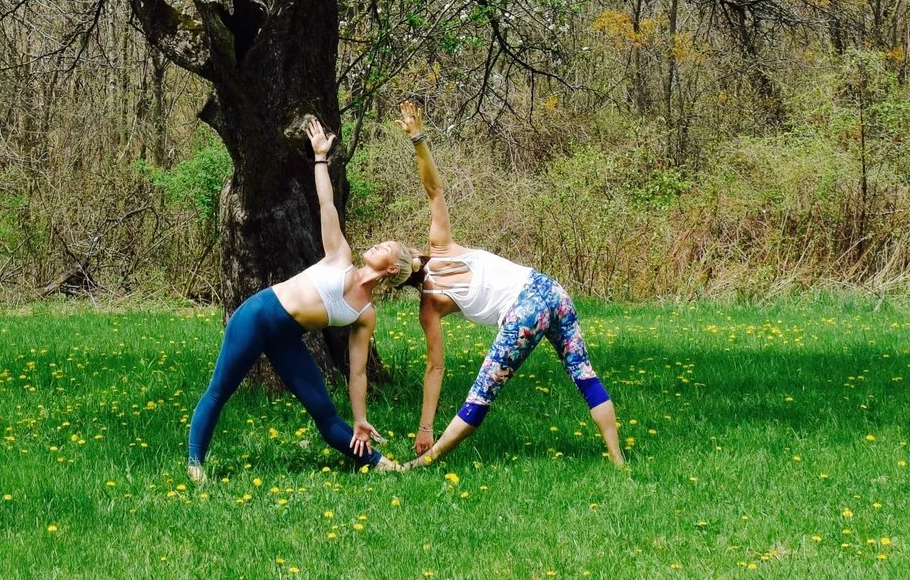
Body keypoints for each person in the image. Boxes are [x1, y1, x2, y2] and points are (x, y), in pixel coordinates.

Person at [392, 101, 624, 470]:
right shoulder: (441, 250)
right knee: (583, 373)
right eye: (394, 246)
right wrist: (418, 139)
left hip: (525, 312)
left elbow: (435, 369)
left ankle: (424, 462)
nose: (396, 241)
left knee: (482, 394)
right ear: (407, 258)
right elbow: (433, 190)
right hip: (550, 289)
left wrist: (425, 427)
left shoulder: (430, 304)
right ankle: (618, 459)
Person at [185, 114, 417, 480]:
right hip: (258, 315)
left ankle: (378, 464)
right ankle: (195, 465)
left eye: (385, 246)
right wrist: (320, 156)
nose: (377, 243)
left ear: (391, 269)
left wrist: (360, 418)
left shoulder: (365, 313)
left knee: (324, 412)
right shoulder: (340, 255)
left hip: (286, 339)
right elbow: (327, 205)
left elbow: (357, 372)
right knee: (220, 391)